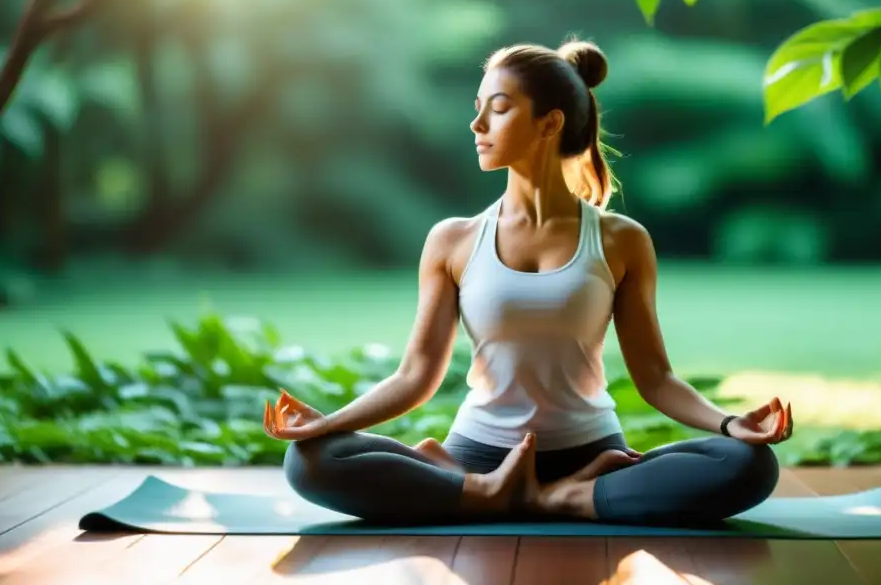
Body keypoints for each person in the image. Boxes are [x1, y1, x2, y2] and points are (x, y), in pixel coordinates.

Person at [263, 38, 793, 527]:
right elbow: (416, 375)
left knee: (747, 464)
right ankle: (490, 489)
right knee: (311, 460)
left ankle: (551, 496)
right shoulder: (454, 240)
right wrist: (327, 425)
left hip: (591, 454)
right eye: (478, 109)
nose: (477, 126)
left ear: (549, 124)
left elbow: (655, 378)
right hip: (478, 452)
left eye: (497, 108)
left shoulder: (620, 240)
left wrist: (729, 426)